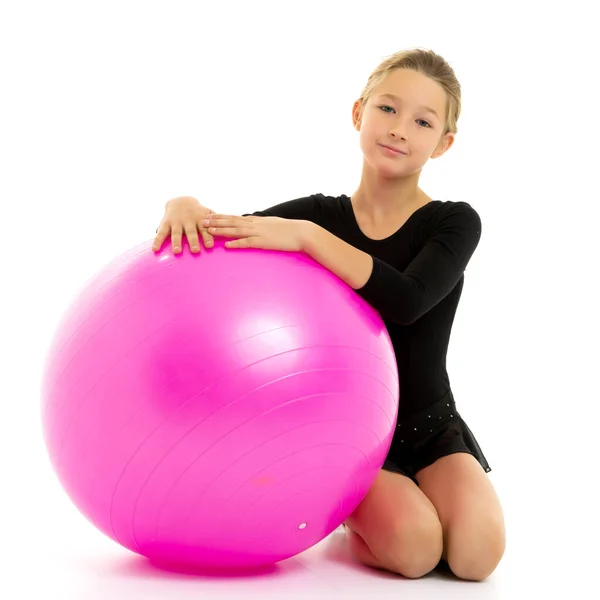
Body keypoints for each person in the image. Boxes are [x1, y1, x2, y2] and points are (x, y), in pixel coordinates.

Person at [152, 48, 505, 581]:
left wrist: (310, 241)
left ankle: (397, 503)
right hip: (352, 435)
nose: (400, 129)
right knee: (414, 552)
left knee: (477, 557)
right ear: (358, 112)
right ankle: (349, 524)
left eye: (423, 121)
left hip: (429, 425)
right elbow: (226, 234)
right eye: (387, 109)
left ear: (444, 143)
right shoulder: (319, 215)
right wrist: (181, 203)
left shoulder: (453, 223)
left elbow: (408, 300)